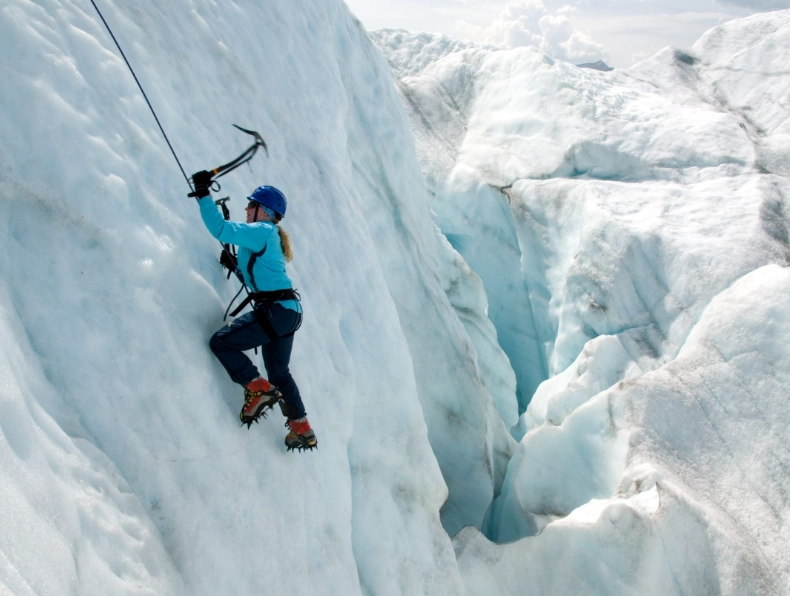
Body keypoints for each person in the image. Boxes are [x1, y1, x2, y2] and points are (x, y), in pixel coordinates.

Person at [190, 170, 316, 451]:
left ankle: (257, 388)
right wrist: (236, 266)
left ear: (264, 210)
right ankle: (301, 427)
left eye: (251, 205)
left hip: (277, 311)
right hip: (288, 312)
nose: (246, 209)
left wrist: (203, 193)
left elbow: (221, 229)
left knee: (221, 343)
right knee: (280, 373)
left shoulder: (262, 230)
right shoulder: (267, 237)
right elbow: (262, 278)